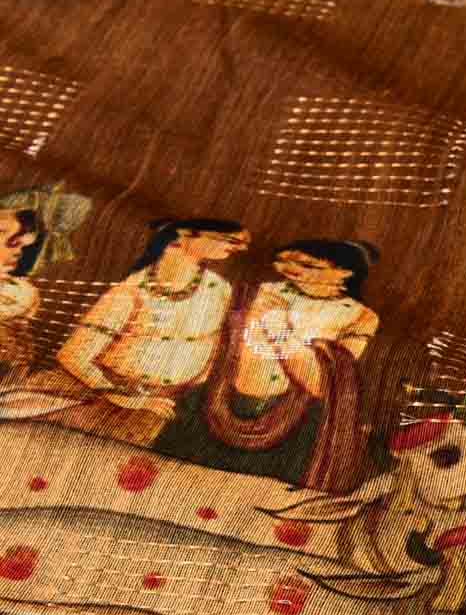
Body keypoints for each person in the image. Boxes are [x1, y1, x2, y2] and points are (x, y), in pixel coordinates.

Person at [154, 238, 378, 491]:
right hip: (216, 409)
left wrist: (280, 330)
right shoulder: (258, 292)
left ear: (345, 272)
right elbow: (214, 346)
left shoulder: (358, 316)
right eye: (284, 262)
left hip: (292, 427)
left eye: (307, 265)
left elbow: (324, 384)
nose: (291, 271)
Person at [28, 216, 249, 446]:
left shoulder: (219, 290)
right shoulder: (130, 292)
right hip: (96, 400)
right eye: (225, 237)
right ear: (181, 236)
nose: (238, 247)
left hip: (165, 404)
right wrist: (125, 398)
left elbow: (217, 350)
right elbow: (73, 355)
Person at [0, 183, 91, 379]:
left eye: (21, 245)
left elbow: (21, 353)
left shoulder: (22, 293)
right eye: (11, 241)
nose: (18, 252)